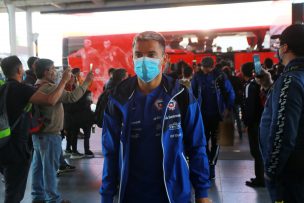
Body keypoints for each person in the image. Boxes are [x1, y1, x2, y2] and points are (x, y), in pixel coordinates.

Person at [100, 31, 211, 203]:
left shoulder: (181, 96)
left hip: (174, 193)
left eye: (151, 54)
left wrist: (202, 193)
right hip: (131, 194)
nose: (144, 60)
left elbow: (197, 146)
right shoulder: (118, 98)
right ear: (132, 58)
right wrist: (106, 196)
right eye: (138, 55)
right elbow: (110, 151)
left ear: (164, 59)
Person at [0, 55, 72, 203]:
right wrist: (64, 81)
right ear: (20, 70)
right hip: (16, 148)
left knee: (13, 183)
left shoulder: (2, 88)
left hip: (3, 144)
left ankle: (38, 197)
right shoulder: (22, 90)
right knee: (14, 193)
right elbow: (50, 100)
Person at [31, 58, 94, 203]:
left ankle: (37, 196)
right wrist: (86, 82)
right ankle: (53, 199)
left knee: (38, 166)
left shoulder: (36, 86)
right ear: (46, 72)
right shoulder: (50, 88)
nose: (55, 71)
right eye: (53, 68)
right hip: (49, 134)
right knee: (50, 169)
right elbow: (72, 97)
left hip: (38, 134)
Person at [259, 24, 304, 203]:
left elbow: (283, 132)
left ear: (284, 48)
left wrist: (271, 170)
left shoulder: (290, 80)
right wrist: (269, 86)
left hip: (290, 174)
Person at [191, 57, 235, 180]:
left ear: (212, 67)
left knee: (217, 142)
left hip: (218, 115)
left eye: (206, 68)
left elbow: (230, 92)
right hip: (202, 115)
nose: (204, 70)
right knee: (202, 141)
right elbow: (193, 93)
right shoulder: (197, 76)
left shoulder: (220, 76)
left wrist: (228, 108)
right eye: (203, 67)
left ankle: (211, 165)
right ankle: (207, 163)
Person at [240, 62, 265, 187]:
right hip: (263, 120)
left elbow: (248, 106)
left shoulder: (249, 86)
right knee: (260, 150)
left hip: (254, 123)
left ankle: (260, 178)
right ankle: (262, 177)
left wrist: (246, 123)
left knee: (256, 151)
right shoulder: (260, 84)